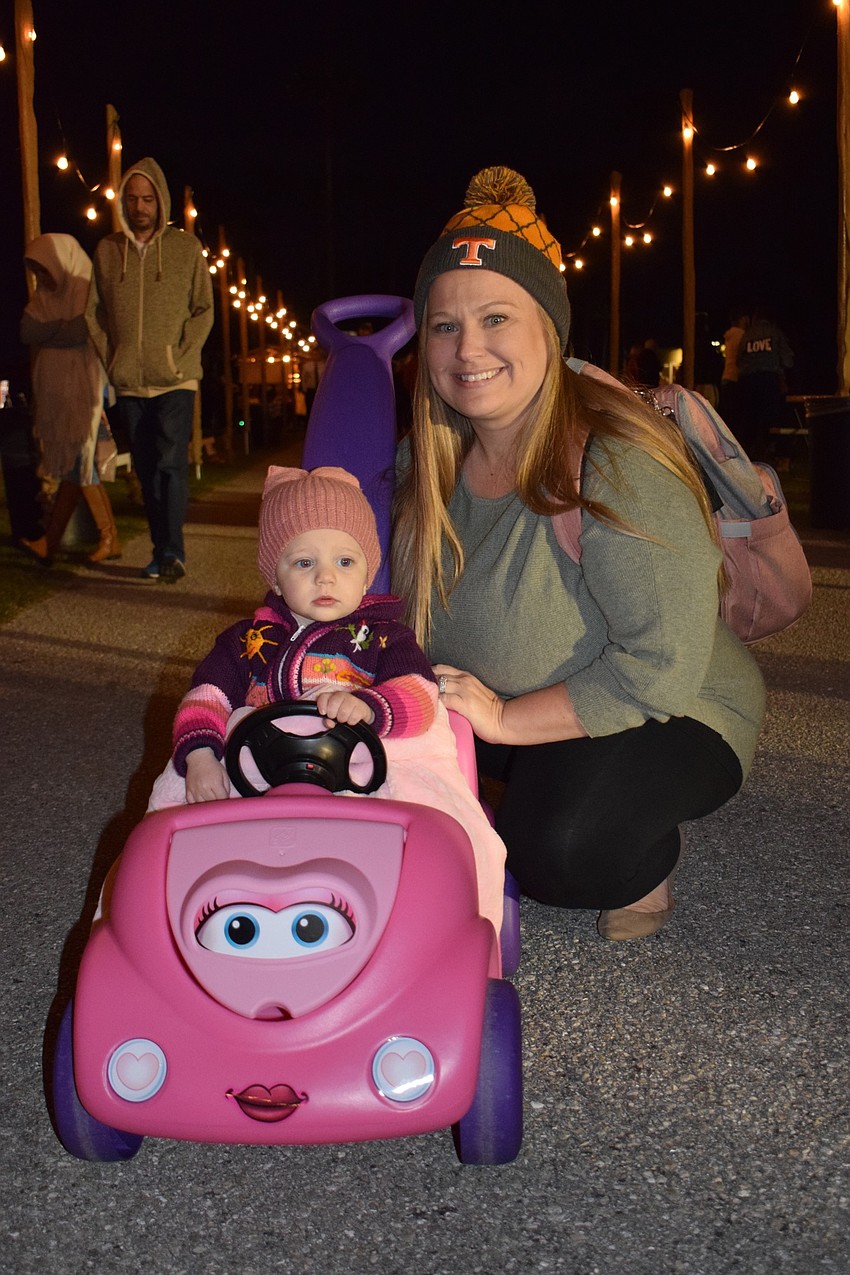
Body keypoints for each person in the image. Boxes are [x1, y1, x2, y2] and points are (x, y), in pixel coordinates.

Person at [392, 166, 766, 941]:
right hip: (508, 716)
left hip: (671, 705)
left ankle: (642, 844)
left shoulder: (612, 458)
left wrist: (499, 717)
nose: (470, 348)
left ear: (549, 331)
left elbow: (659, 666)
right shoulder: (422, 464)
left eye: (497, 318)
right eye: (444, 325)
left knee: (559, 848)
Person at [149, 465, 506, 932]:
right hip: (260, 773)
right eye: (303, 563)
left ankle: (454, 919)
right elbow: (206, 697)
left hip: (363, 770)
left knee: (436, 810)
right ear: (274, 578)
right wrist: (199, 757)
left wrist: (372, 707)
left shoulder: (383, 637)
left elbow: (419, 695)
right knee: (173, 794)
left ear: (366, 575)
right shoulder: (246, 641)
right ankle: (154, 920)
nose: (325, 579)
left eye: (344, 562)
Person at [85, 158, 214, 582]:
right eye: (132, 199)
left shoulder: (185, 249)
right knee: (145, 469)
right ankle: (161, 550)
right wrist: (113, 357)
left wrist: (178, 356)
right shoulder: (106, 252)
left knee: (169, 463)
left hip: (176, 378)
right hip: (129, 381)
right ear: (122, 202)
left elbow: (203, 310)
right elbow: (94, 313)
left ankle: (173, 552)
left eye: (148, 198)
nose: (140, 206)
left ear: (161, 201)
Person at [19, 234, 121, 565]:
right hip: (58, 397)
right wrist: (59, 329)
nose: (42, 278)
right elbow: (26, 331)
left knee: (80, 465)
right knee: (74, 468)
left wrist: (50, 330)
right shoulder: (44, 296)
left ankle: (107, 538)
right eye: (37, 271)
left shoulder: (83, 287)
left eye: (45, 269)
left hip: (83, 392)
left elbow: (81, 330)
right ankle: (51, 542)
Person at [736, 306, 794, 460]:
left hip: (748, 382)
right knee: (772, 420)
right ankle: (774, 455)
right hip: (769, 381)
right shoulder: (775, 333)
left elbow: (738, 360)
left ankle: (743, 458)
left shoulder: (747, 335)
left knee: (748, 421)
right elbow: (788, 360)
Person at [719, 309, 749, 434]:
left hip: (726, 376)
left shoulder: (729, 336)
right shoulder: (742, 335)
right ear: (742, 319)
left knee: (728, 416)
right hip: (736, 378)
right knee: (736, 416)